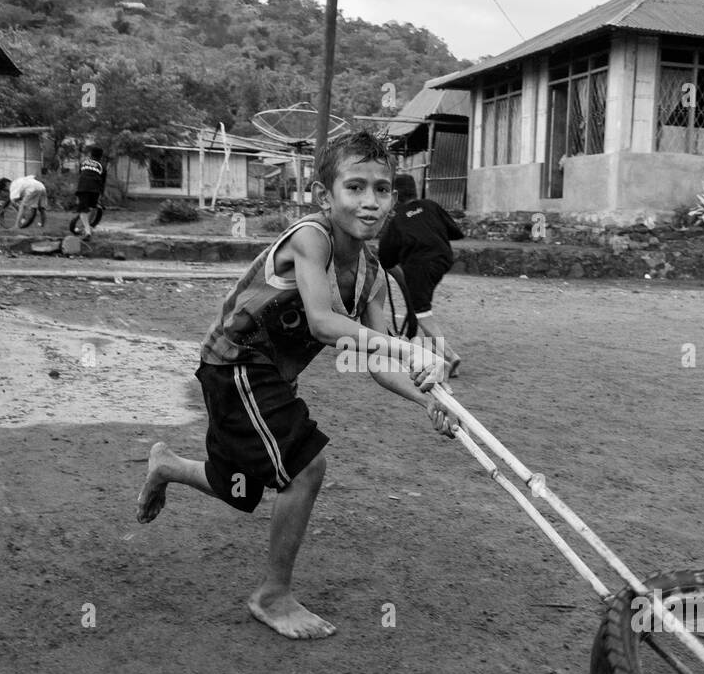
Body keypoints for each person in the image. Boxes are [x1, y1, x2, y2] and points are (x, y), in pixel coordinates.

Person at [136, 130, 457, 641]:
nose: (369, 202)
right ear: (324, 194)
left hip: (265, 377)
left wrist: (430, 399)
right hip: (234, 363)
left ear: (394, 197)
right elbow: (323, 324)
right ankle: (273, 595)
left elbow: (371, 357)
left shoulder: (373, 272)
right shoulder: (312, 238)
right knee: (306, 466)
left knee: (236, 486)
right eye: (354, 187)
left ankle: (168, 466)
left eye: (381, 189)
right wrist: (410, 348)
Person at [378, 172, 464, 376]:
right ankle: (432, 347)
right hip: (443, 259)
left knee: (421, 311)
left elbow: (386, 259)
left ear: (394, 196)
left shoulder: (397, 221)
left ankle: (450, 356)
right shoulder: (431, 206)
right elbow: (457, 232)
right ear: (416, 190)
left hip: (419, 266)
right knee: (420, 303)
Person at [75, 144, 107, 238]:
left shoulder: (84, 163)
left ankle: (87, 230)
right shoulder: (102, 166)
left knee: (82, 210)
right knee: (93, 207)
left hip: (83, 187)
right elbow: (103, 182)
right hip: (95, 189)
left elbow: (81, 175)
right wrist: (102, 194)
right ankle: (88, 227)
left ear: (90, 154)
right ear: (101, 156)